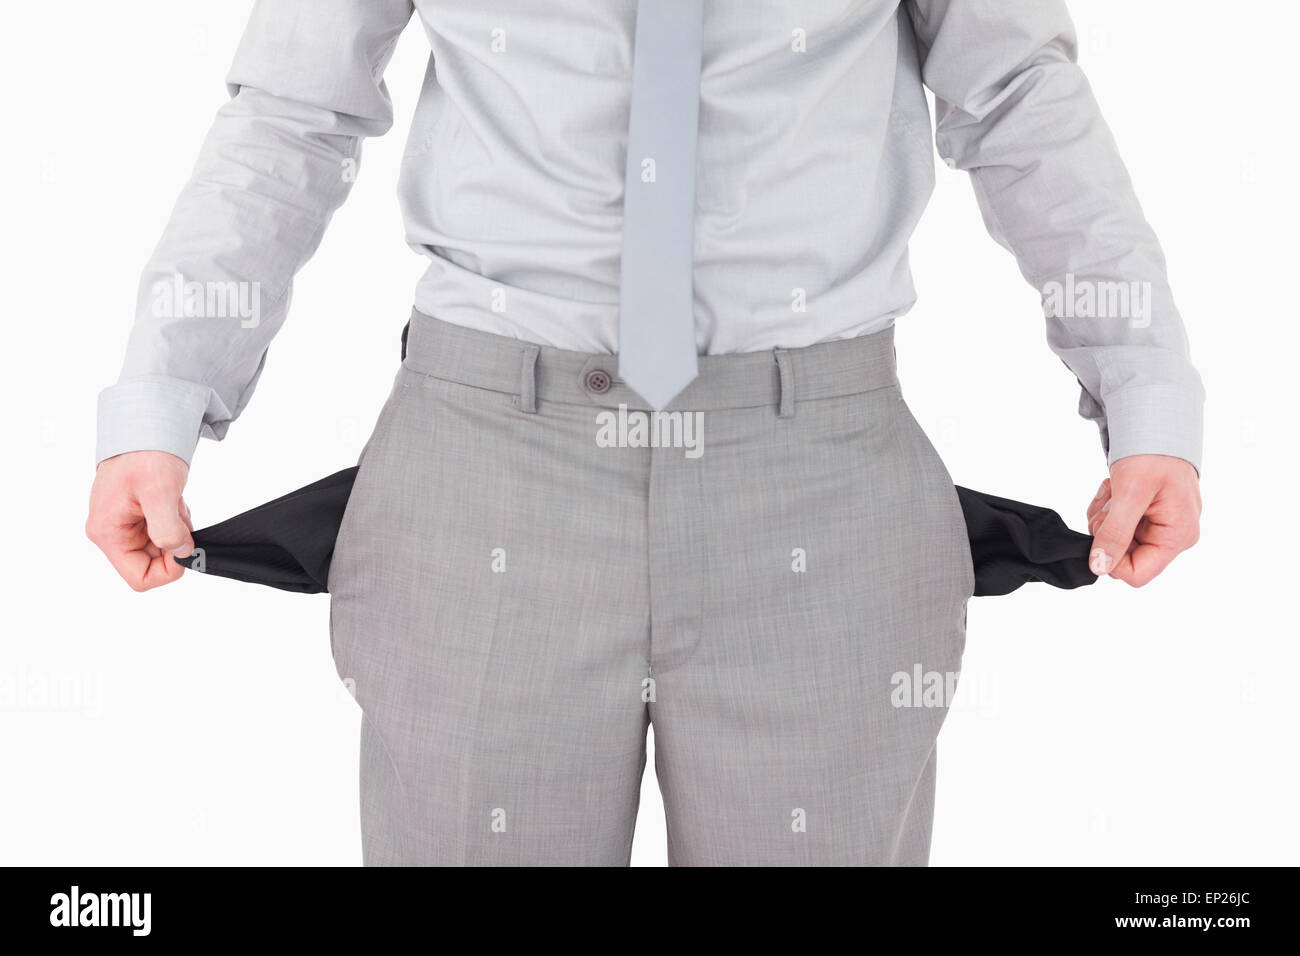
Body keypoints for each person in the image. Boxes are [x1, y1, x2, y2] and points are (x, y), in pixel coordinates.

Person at [85, 0, 1203, 866]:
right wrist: (161, 398)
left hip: (823, 476)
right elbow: (292, 109)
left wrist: (1144, 392)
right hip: (483, 470)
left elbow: (1017, 93)